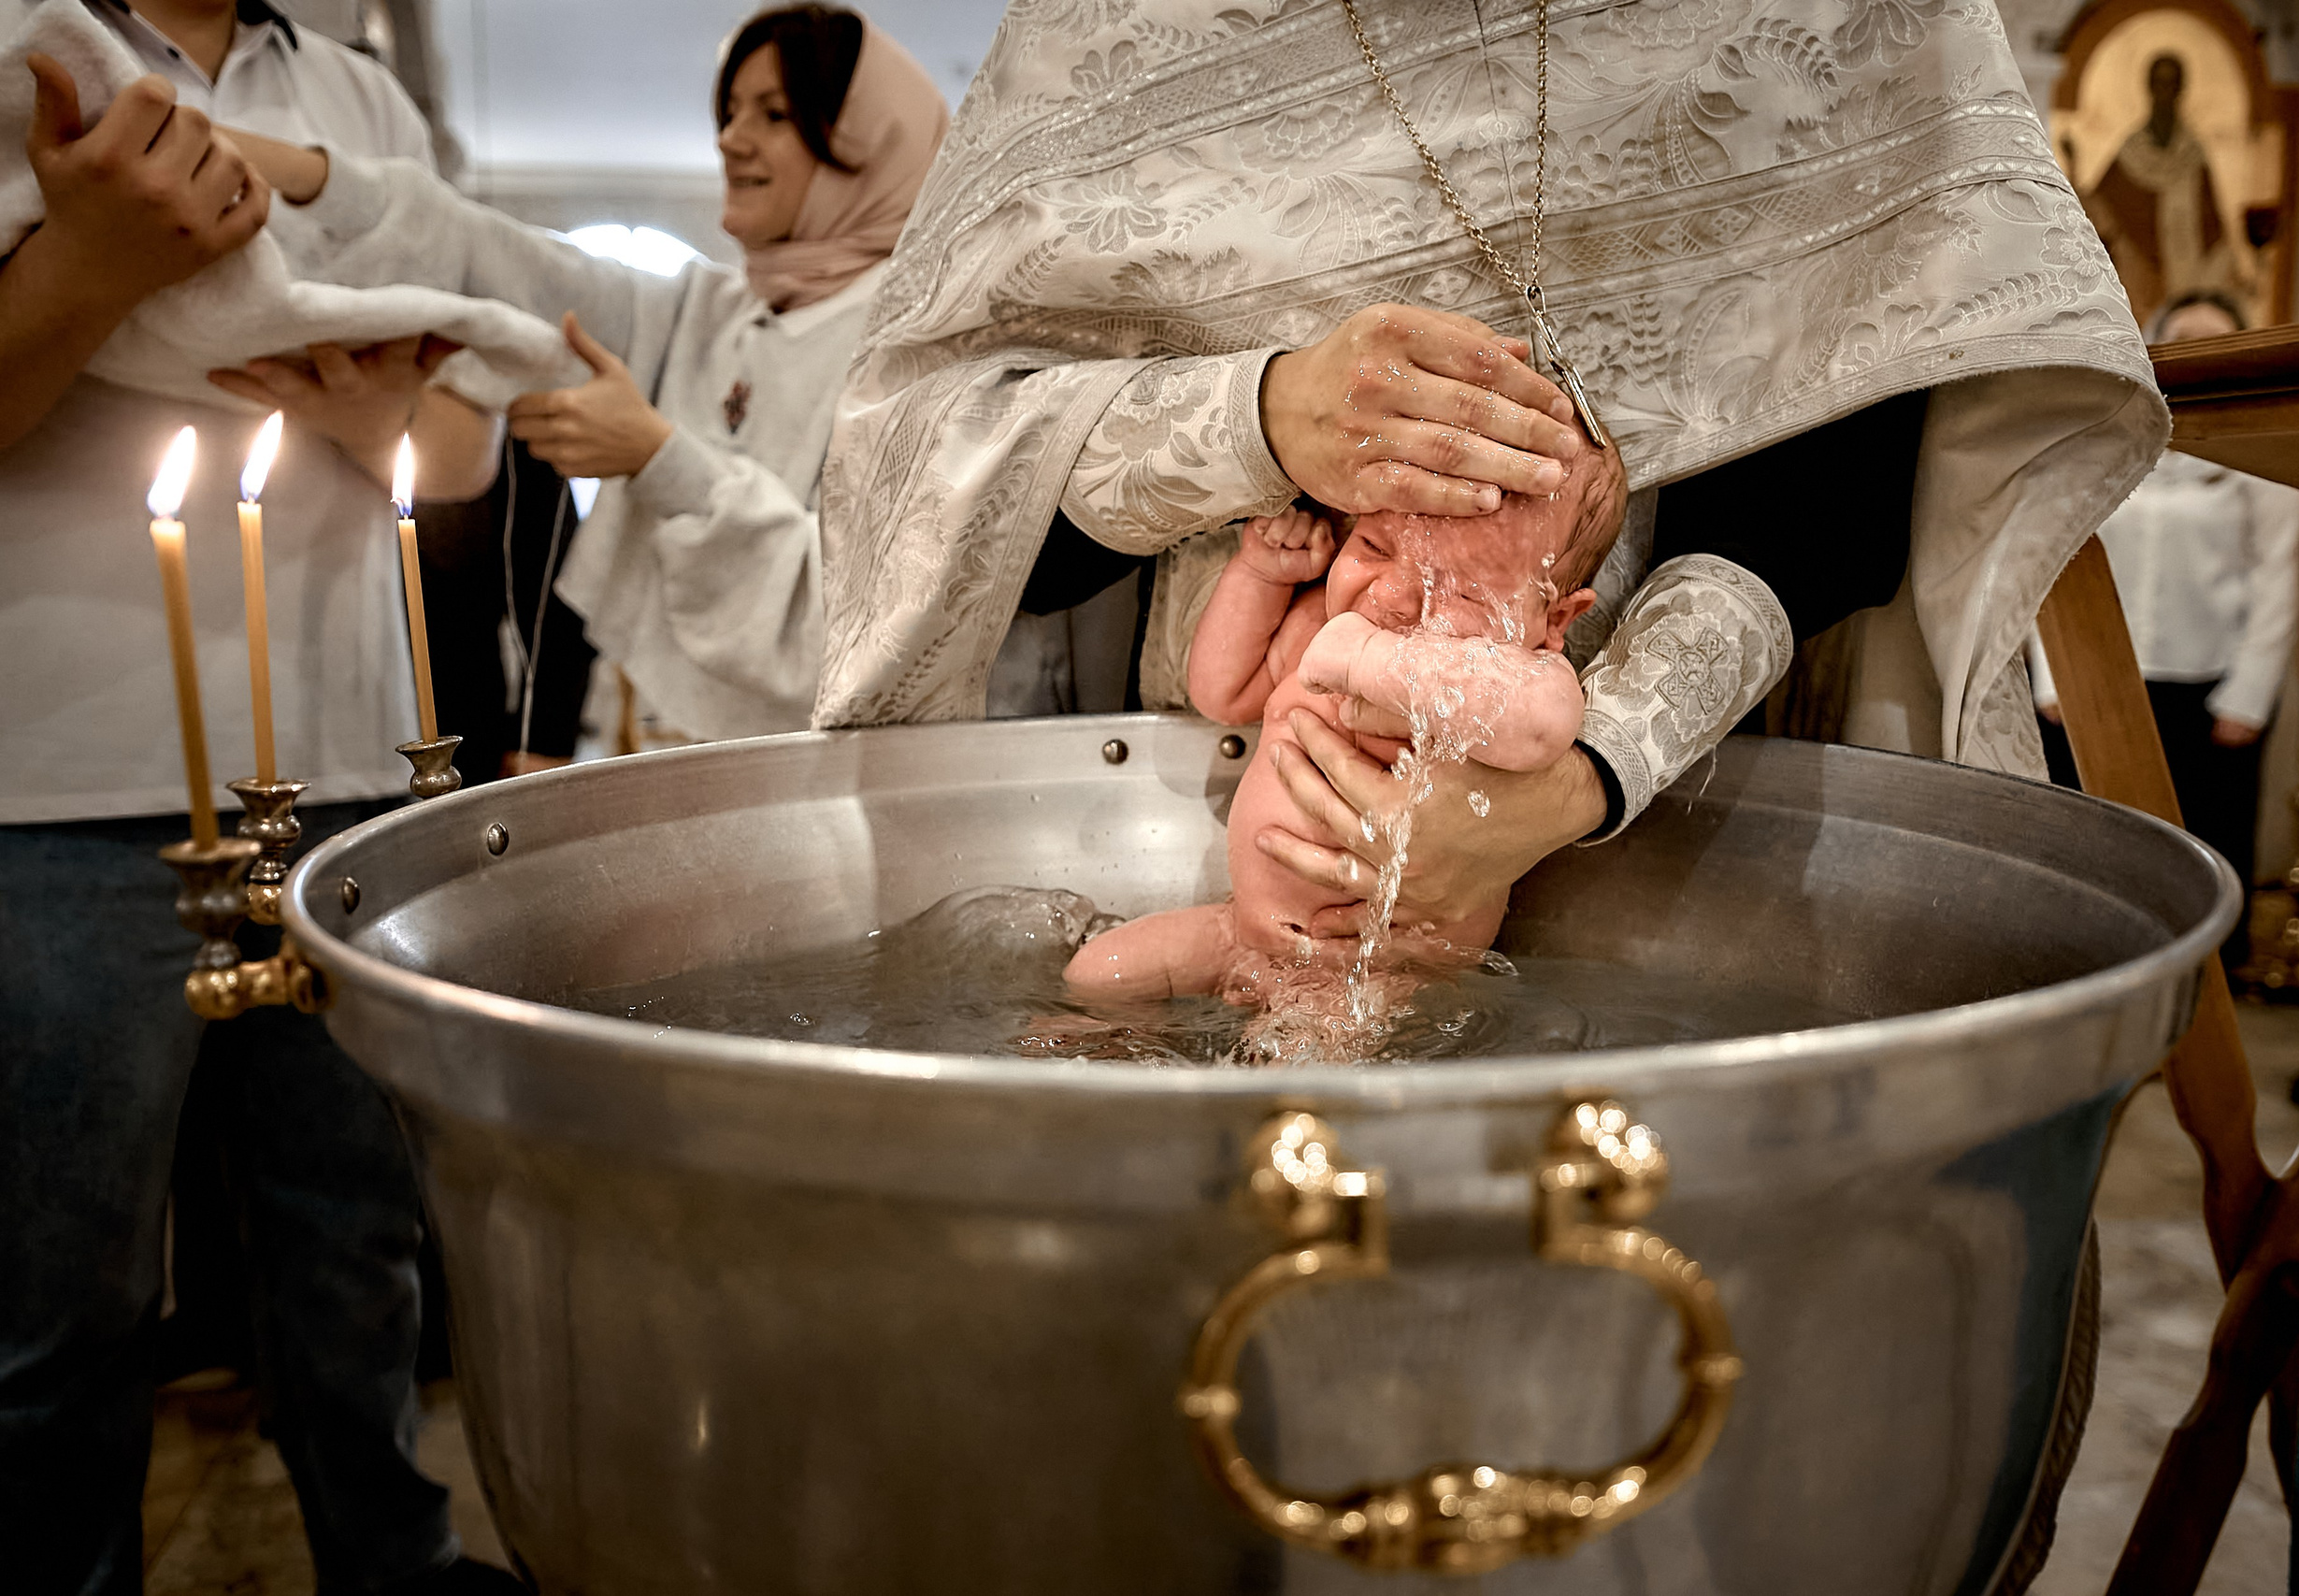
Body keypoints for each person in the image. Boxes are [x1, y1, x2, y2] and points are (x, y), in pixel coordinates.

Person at [816, 0, 2166, 942]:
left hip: (1660, 829)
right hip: (1194, 807)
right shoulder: (1121, 28)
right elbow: (943, 470)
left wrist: (1579, 768)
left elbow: (1840, 470)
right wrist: (1263, 416)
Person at [0, 1, 515, 1590]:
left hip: (355, 759)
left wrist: (375, 405)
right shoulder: (28, 51)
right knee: (62, 1290)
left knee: (354, 1244)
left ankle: (395, 1556)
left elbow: (463, 444)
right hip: (75, 773)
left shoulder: (356, 92)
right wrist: (90, 268)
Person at [229, 4, 951, 746]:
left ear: (871, 140)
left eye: (774, 114)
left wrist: (657, 456)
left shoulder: (924, 339)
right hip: (707, 763)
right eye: (731, 112)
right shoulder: (710, 309)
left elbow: (866, 615)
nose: (731, 139)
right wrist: (305, 177)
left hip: (860, 776)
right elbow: (508, 266)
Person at [1067, 427, 1620, 1005]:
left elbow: (1542, 730)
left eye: (1462, 590)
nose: (1395, 597)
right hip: (1245, 931)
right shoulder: (1315, 626)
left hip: (1389, 971)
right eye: (1376, 548)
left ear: (1555, 618)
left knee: (1296, 1057)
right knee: (1098, 975)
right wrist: (1259, 577)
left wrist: (1366, 659)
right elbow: (1220, 694)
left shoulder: (1517, 679)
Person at [2031, 291, 2299, 970]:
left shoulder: (2261, 445)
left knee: (2201, 851)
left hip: (2210, 688)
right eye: (2186, 340)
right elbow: (2048, 554)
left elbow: (2278, 573)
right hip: (2094, 678)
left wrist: (2250, 693)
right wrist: (2052, 672)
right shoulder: (2102, 430)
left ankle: (2200, 998)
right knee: (2093, 851)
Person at [2082, 54, 2237, 325]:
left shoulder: (2192, 156)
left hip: (2182, 284)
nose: (2164, 93)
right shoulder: (2131, 152)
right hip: (2137, 283)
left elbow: (2214, 229)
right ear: (2149, 88)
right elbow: (2098, 209)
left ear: (2180, 90)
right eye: (2159, 84)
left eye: (2171, 85)